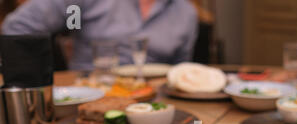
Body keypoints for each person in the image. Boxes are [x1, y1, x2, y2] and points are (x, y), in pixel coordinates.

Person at [2, 0, 198, 70]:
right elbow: (18, 27)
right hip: (87, 99)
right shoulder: (81, 5)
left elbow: (179, 73)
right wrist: (42, 81)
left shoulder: (186, 13)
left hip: (152, 107)